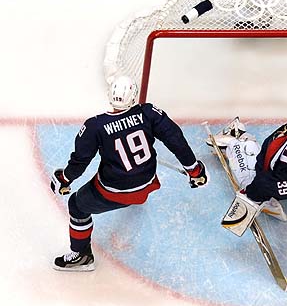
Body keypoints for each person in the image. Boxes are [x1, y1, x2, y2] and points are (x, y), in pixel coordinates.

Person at [50, 75, 208, 271]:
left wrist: (63, 179)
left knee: (76, 205)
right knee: (116, 180)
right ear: (134, 97)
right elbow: (175, 138)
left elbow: (79, 163)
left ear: (109, 96)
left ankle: (82, 256)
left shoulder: (94, 126)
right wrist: (194, 170)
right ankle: (130, 200)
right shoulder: (149, 113)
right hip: (147, 183)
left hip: (115, 191)